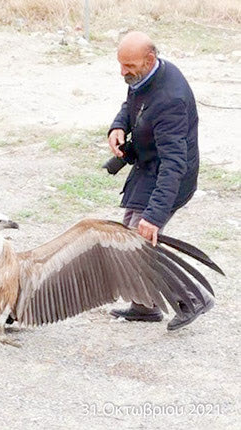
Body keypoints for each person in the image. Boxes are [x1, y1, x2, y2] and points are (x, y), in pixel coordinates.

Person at [106, 31, 214, 330]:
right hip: (148, 168)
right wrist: (118, 126)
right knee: (131, 236)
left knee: (140, 243)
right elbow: (132, 102)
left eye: (128, 65)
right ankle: (146, 306)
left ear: (149, 59)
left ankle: (194, 299)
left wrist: (154, 216)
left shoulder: (171, 100)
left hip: (169, 177)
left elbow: (174, 164)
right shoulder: (147, 76)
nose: (123, 71)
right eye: (121, 64)